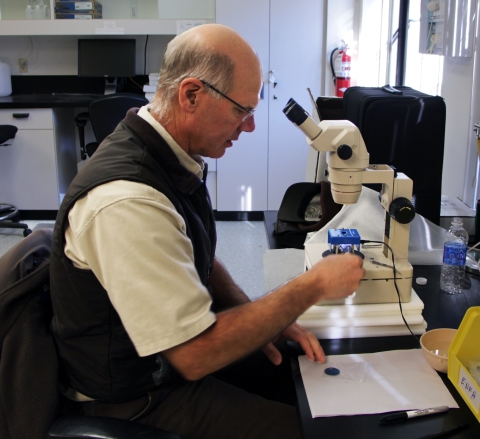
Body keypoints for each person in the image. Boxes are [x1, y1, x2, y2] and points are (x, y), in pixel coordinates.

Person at [50, 24, 364, 439]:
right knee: (314, 431)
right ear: (191, 95)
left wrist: (268, 318)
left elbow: (191, 252)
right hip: (137, 396)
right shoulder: (128, 201)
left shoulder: (168, 153)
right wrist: (311, 286)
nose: (248, 127)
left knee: (301, 373)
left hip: (166, 358)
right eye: (241, 110)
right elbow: (194, 355)